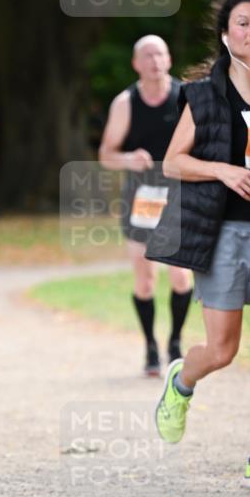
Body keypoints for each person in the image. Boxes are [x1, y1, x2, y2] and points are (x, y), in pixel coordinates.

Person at [147, 0, 250, 486]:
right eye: (243, 23)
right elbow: (173, 162)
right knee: (222, 350)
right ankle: (181, 381)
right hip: (227, 230)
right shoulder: (207, 93)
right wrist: (224, 171)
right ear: (226, 34)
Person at [99, 36, 193, 375]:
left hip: (178, 194)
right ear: (136, 64)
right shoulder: (125, 103)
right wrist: (128, 158)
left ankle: (176, 342)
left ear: (169, 59)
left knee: (181, 276)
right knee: (145, 279)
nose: (155, 60)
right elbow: (106, 155)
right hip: (140, 197)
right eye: (148, 55)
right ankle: (151, 346)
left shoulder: (185, 98)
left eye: (161, 54)